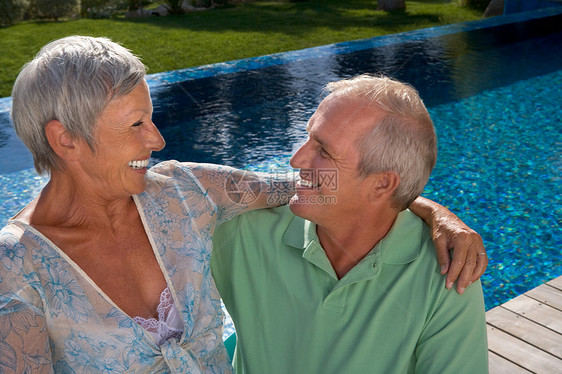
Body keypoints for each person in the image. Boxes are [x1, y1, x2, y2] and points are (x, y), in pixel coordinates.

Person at [0, 36, 485, 373]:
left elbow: (328, 188)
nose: (158, 138)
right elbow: (327, 179)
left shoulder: (186, 194)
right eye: (135, 125)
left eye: (151, 118)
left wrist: (431, 209)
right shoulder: (16, 268)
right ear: (64, 139)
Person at [211, 75, 488, 373]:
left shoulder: (446, 273)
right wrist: (433, 210)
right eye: (308, 137)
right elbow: (166, 196)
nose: (296, 159)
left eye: (324, 151)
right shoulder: (243, 230)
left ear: (382, 184)